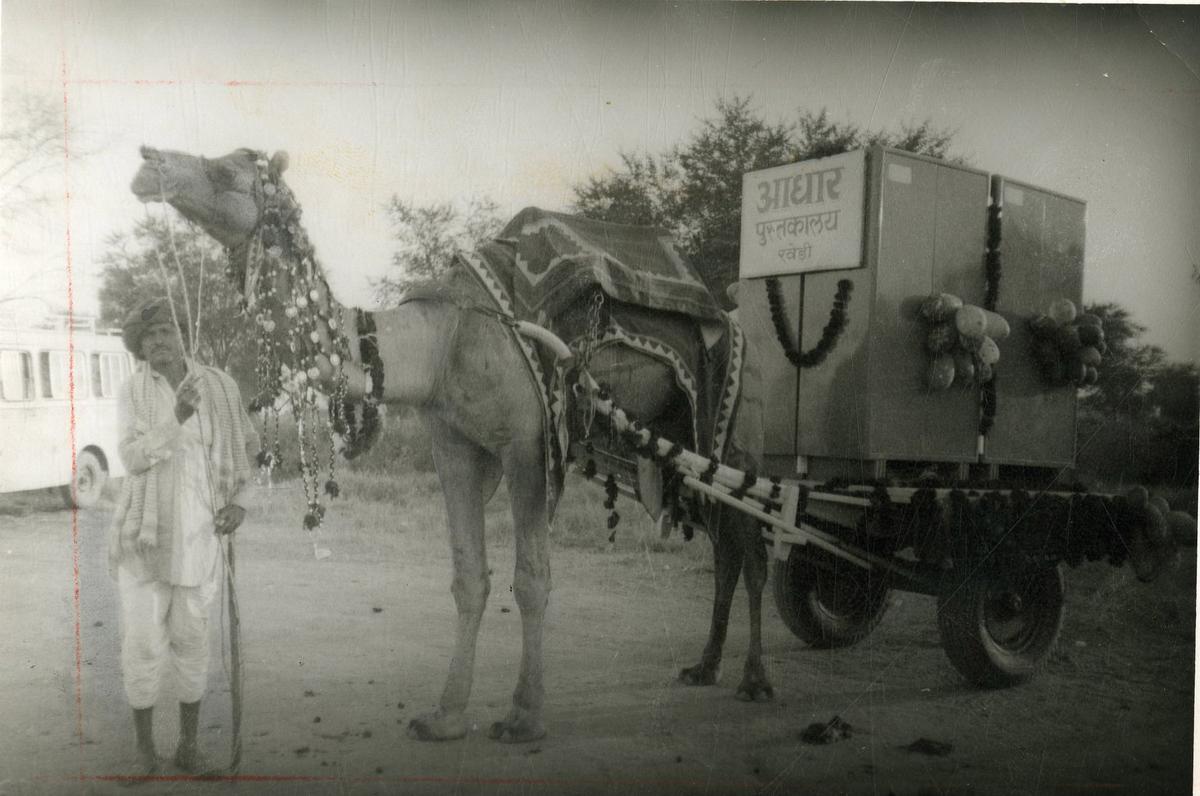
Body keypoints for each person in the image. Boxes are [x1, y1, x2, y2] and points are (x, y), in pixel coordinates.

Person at [106, 297, 257, 777]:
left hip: (197, 538)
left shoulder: (219, 386)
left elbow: (242, 452)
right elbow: (131, 458)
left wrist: (239, 503)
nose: (158, 343)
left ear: (182, 333)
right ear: (138, 344)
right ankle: (144, 753)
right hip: (143, 541)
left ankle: (189, 747)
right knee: (144, 644)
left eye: (166, 331)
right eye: (148, 336)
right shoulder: (132, 392)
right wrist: (176, 417)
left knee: (193, 642)